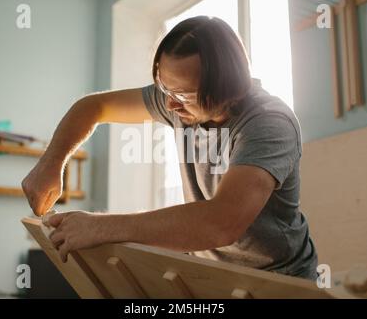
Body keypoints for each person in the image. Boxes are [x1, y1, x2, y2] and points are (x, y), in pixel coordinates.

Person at [22, 16, 318, 280]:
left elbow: (221, 223)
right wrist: (50, 164)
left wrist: (102, 227)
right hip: (213, 272)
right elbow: (93, 107)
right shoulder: (176, 100)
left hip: (280, 278)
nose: (171, 105)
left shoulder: (268, 123)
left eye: (184, 94)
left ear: (228, 88)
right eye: (165, 88)